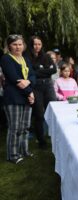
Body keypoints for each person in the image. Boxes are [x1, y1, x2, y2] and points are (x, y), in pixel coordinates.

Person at [0, 34, 36, 163]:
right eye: (14, 44)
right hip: (13, 97)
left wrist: (29, 86)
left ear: (23, 45)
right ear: (9, 46)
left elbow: (32, 75)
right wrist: (30, 92)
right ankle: (13, 155)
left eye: (20, 44)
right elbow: (15, 79)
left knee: (25, 127)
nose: (17, 47)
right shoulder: (6, 59)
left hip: (25, 96)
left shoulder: (25, 58)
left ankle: (24, 151)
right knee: (14, 128)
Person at [26, 36, 57, 148]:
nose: (37, 46)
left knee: (54, 109)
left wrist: (38, 70)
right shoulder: (27, 57)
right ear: (31, 45)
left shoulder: (47, 56)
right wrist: (44, 70)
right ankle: (41, 140)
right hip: (36, 86)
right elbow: (30, 72)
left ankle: (55, 136)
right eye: (35, 44)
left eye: (39, 44)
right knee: (39, 113)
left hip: (48, 85)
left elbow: (53, 70)